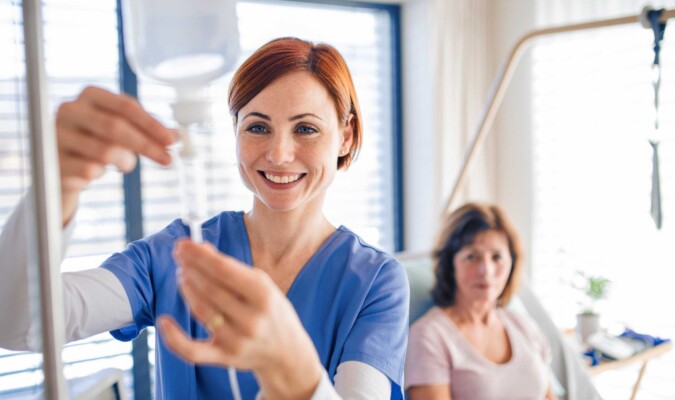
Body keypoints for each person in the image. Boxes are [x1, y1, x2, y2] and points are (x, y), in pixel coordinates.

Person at [0, 37, 409, 399]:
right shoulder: (178, 253)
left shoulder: (376, 282)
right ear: (235, 132)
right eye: (257, 127)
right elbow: (20, 323)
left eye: (305, 129)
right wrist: (57, 188)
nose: (279, 154)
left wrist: (294, 373)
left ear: (347, 136)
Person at [404, 203, 557, 400]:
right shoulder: (429, 337)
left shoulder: (524, 327)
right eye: (472, 257)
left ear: (512, 262)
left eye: (497, 257)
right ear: (450, 264)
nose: (486, 270)